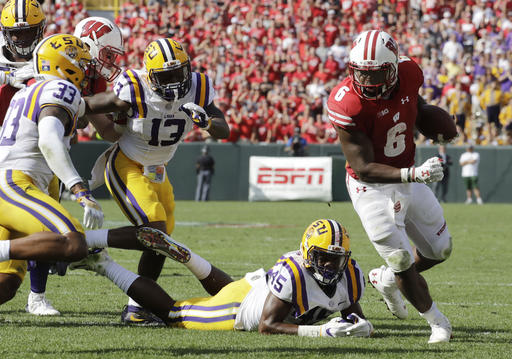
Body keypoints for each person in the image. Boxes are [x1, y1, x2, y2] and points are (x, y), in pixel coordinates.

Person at [81, 37, 229, 325]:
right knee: (154, 230)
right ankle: (86, 244)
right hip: (128, 163)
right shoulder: (135, 87)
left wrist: (207, 122)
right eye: (166, 76)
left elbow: (223, 130)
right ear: (151, 76)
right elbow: (99, 103)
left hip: (158, 169)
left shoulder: (198, 87)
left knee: (161, 240)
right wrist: (67, 104)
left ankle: (137, 308)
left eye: (179, 74)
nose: (175, 83)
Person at [326, 30, 452, 343]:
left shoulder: (409, 73)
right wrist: (414, 174)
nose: (368, 83)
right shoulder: (347, 103)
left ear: (393, 68)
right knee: (400, 260)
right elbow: (363, 167)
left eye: (377, 74)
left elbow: (415, 107)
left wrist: (434, 123)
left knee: (440, 249)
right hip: (370, 187)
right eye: (361, 74)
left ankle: (385, 279)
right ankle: (437, 322)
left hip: (409, 175)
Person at [71, 219, 373, 337]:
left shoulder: (350, 275)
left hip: (251, 287)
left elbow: (354, 319)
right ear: (308, 252)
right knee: (175, 314)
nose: (330, 265)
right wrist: (322, 333)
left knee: (226, 289)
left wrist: (363, 328)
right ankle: (102, 263)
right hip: (240, 310)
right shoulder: (295, 272)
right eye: (323, 257)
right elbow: (267, 327)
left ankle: (188, 256)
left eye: (336, 259)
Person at [0, 34, 103, 309]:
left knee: (5, 285)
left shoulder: (31, 90)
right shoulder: (60, 88)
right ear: (65, 65)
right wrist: (79, 189)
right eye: (82, 64)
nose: (86, 70)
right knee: (72, 243)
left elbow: (94, 106)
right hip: (13, 183)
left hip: (12, 184)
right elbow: (48, 139)